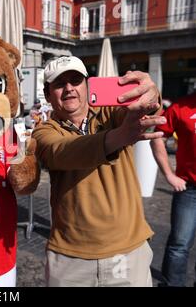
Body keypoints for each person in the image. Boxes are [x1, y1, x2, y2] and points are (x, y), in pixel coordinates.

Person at [32, 56, 164, 287]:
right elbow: (62, 151)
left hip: (128, 251)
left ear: (87, 85)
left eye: (75, 80)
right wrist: (120, 136)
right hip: (70, 258)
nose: (69, 88)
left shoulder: (111, 113)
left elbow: (138, 113)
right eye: (60, 84)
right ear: (47, 93)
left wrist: (151, 97)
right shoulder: (44, 132)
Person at [150, 93, 196, 287]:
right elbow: (158, 137)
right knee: (179, 244)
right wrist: (169, 174)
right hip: (189, 189)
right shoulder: (181, 106)